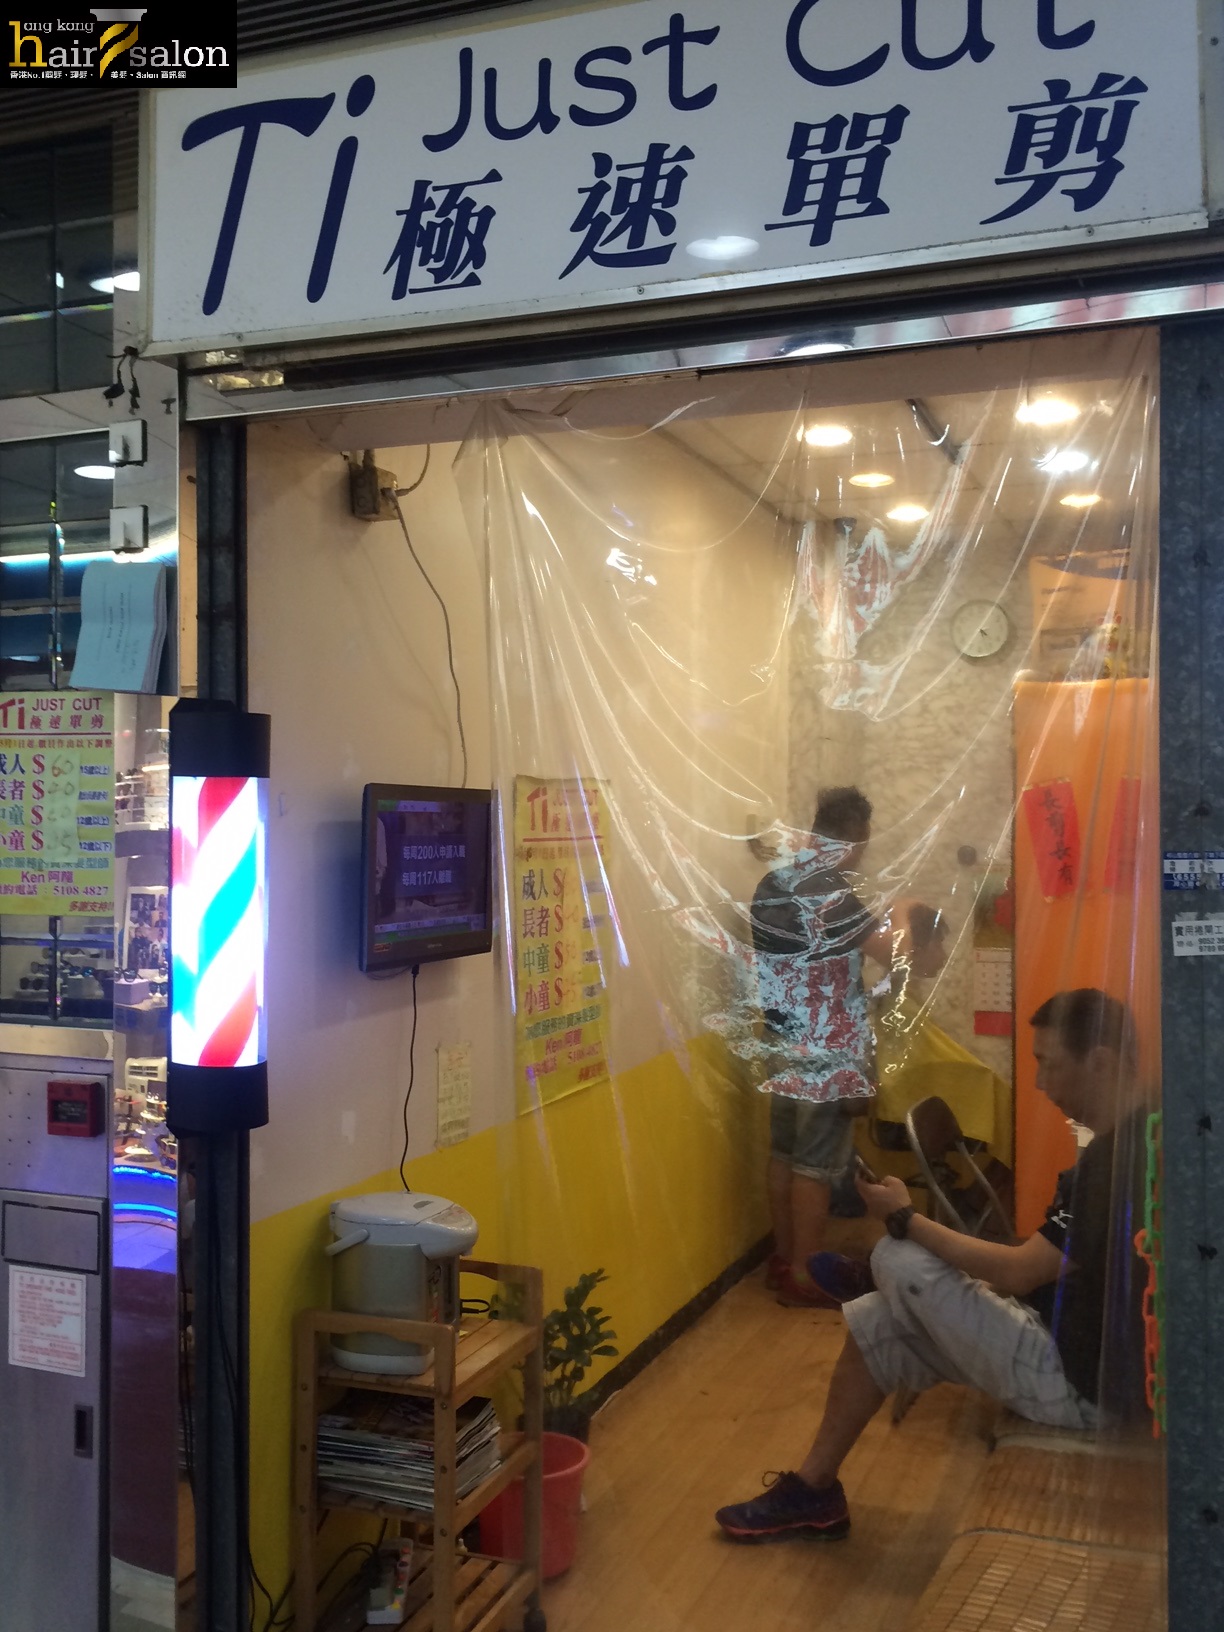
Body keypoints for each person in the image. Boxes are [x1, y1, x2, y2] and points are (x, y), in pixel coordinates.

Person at [714, 988, 1149, 1543]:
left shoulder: (1119, 1162)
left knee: (899, 1256)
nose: (1042, 1083)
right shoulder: (1138, 1132)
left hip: (1080, 1388)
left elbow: (1020, 1273)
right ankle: (814, 1489)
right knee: (878, 1320)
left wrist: (904, 1218)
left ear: (1102, 1062)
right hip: (1064, 1339)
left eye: (1050, 1064)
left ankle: (878, 1274)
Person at [750, 786, 944, 1307]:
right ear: (856, 837)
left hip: (779, 1035)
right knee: (815, 1164)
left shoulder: (772, 882)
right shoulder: (830, 891)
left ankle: (784, 1259)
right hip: (825, 1045)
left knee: (784, 1152)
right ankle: (806, 1275)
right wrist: (902, 910)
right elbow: (894, 954)